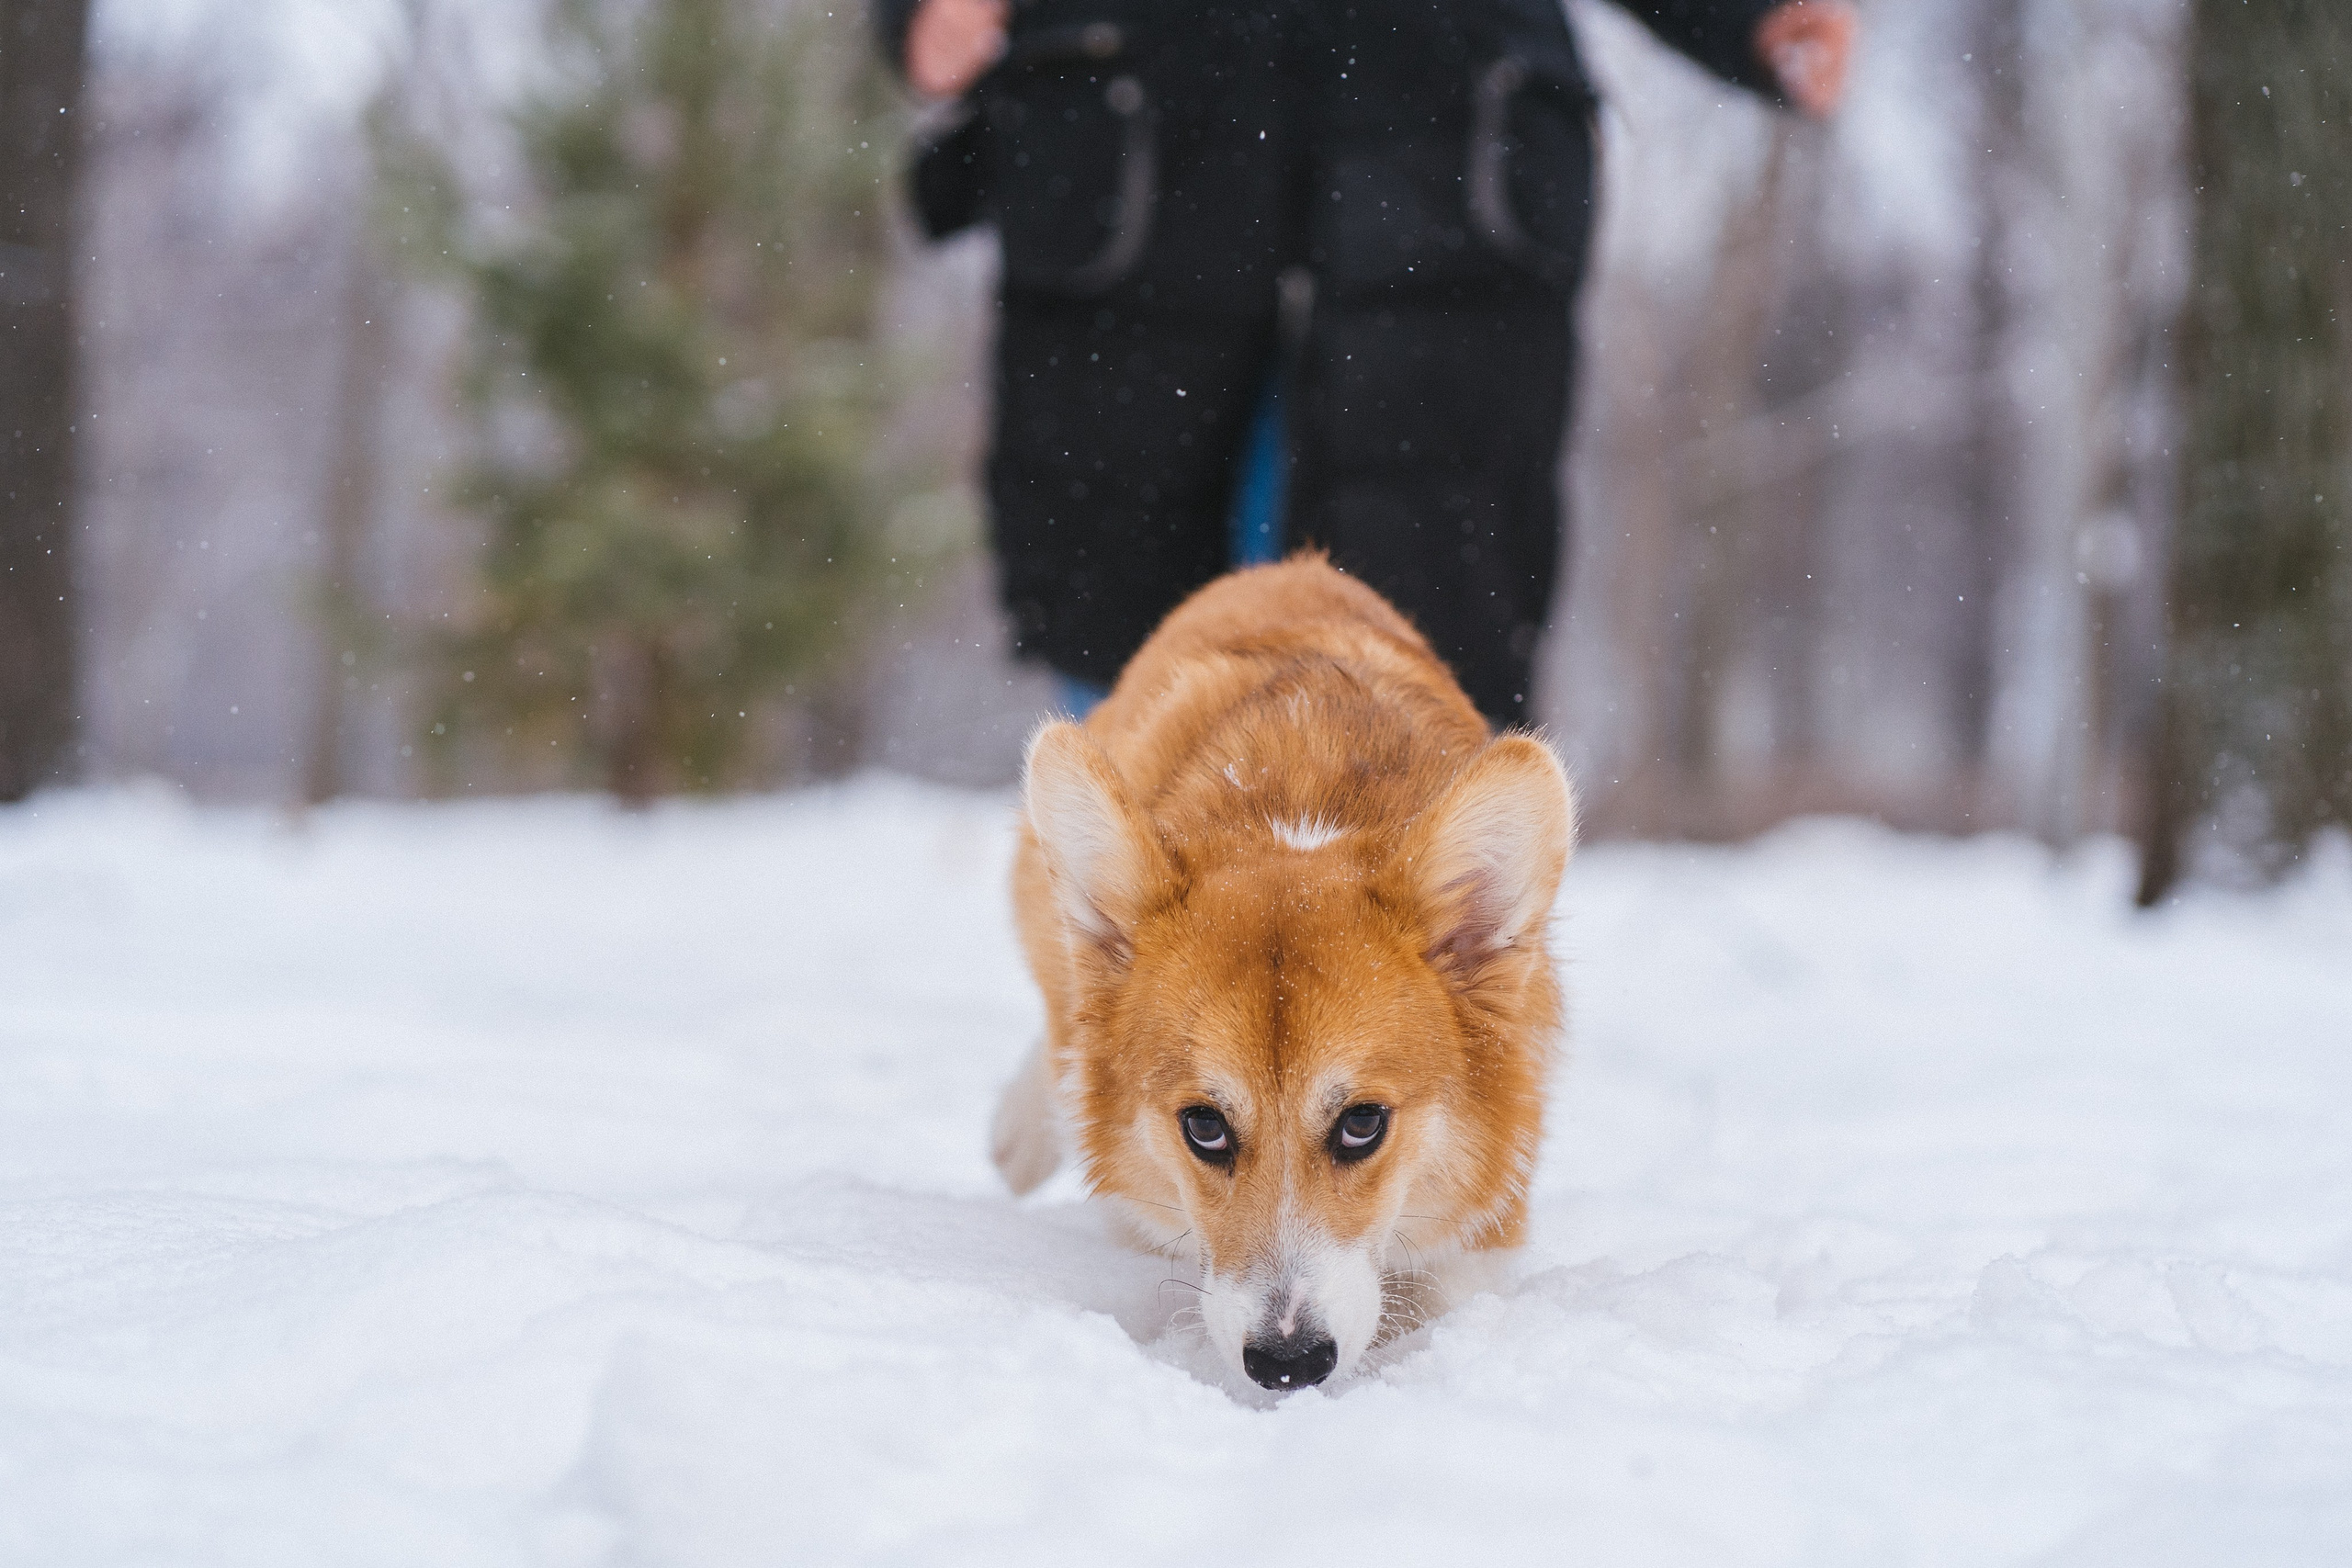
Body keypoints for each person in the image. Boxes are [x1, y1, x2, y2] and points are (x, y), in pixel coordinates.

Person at [876, 0, 1856, 725]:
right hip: (1140, 168)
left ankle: (1381, 972)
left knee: (1413, 630)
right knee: (1127, 616)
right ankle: (1143, 961)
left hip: (1446, 169)